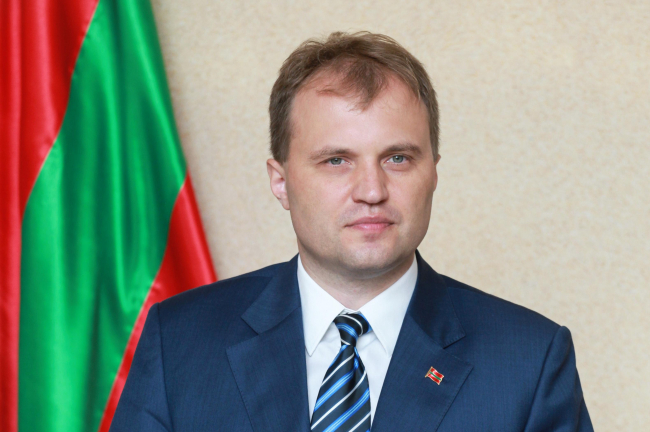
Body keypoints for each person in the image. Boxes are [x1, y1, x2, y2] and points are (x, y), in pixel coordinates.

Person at [111, 32, 593, 432]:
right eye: (336, 161)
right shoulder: (180, 342)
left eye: (398, 158)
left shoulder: (529, 361)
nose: (372, 191)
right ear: (280, 182)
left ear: (433, 173)